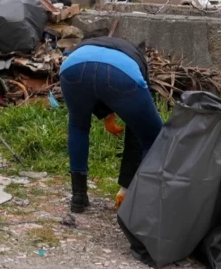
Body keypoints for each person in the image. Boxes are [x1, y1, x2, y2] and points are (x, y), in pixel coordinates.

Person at [59, 37, 162, 213]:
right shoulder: (136, 57)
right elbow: (136, 131)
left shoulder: (92, 43)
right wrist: (127, 184)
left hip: (73, 66)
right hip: (121, 74)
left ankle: (78, 196)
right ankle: (142, 203)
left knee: (78, 127)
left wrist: (107, 116)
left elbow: (95, 83)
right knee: (154, 137)